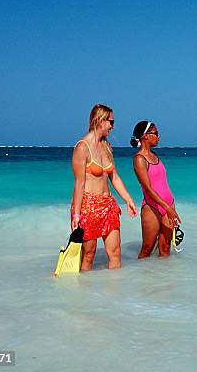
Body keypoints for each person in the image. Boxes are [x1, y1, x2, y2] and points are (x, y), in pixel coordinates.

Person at [71, 104, 137, 271]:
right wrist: (77, 214)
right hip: (88, 207)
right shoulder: (82, 147)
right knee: (88, 255)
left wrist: (128, 200)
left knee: (115, 252)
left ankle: (114, 294)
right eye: (111, 122)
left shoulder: (106, 146)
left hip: (108, 206)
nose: (113, 127)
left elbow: (114, 176)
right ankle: (83, 293)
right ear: (100, 120)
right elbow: (79, 183)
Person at [131, 121, 181, 258]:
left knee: (165, 249)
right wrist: (167, 208)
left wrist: (170, 207)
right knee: (147, 249)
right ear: (145, 136)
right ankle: (144, 278)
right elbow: (147, 188)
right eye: (156, 133)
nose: (159, 137)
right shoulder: (139, 159)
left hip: (168, 205)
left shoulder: (155, 156)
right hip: (152, 207)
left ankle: (163, 279)